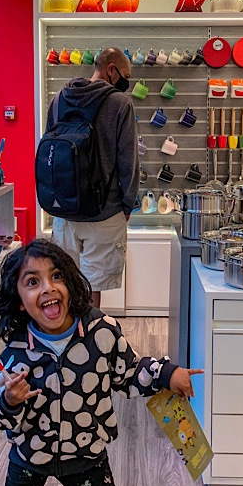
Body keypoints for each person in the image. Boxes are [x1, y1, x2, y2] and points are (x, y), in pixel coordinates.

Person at [0, 239, 203, 486]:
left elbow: (129, 372)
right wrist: (10, 401)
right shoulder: (16, 351)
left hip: (87, 456)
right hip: (28, 459)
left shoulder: (101, 331)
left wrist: (166, 374)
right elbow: (2, 414)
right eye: (33, 282)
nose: (48, 288)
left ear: (70, 282)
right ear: (20, 300)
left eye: (56, 276)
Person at [47, 47, 138, 308]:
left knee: (63, 282)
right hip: (104, 212)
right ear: (111, 69)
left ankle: (67, 331)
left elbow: (50, 153)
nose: (126, 83)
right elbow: (128, 160)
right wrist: (127, 205)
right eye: (125, 76)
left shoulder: (59, 99)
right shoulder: (120, 103)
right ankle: (89, 332)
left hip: (64, 209)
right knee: (92, 287)